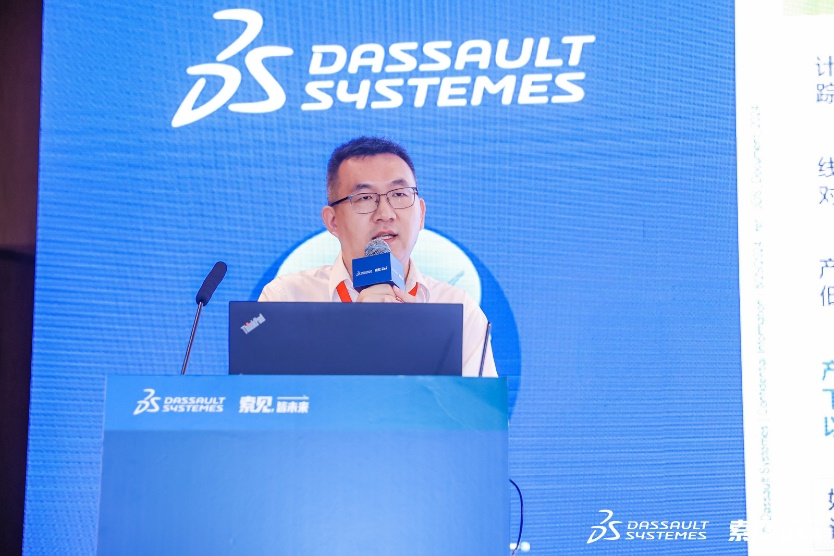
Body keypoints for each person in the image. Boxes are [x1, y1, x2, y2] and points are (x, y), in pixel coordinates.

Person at [259, 136, 496, 377]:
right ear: (333, 221)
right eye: (364, 198)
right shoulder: (286, 300)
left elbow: (478, 403)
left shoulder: (458, 311)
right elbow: (263, 396)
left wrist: (424, 349)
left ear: (421, 214)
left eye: (399, 194)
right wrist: (354, 335)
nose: (385, 213)